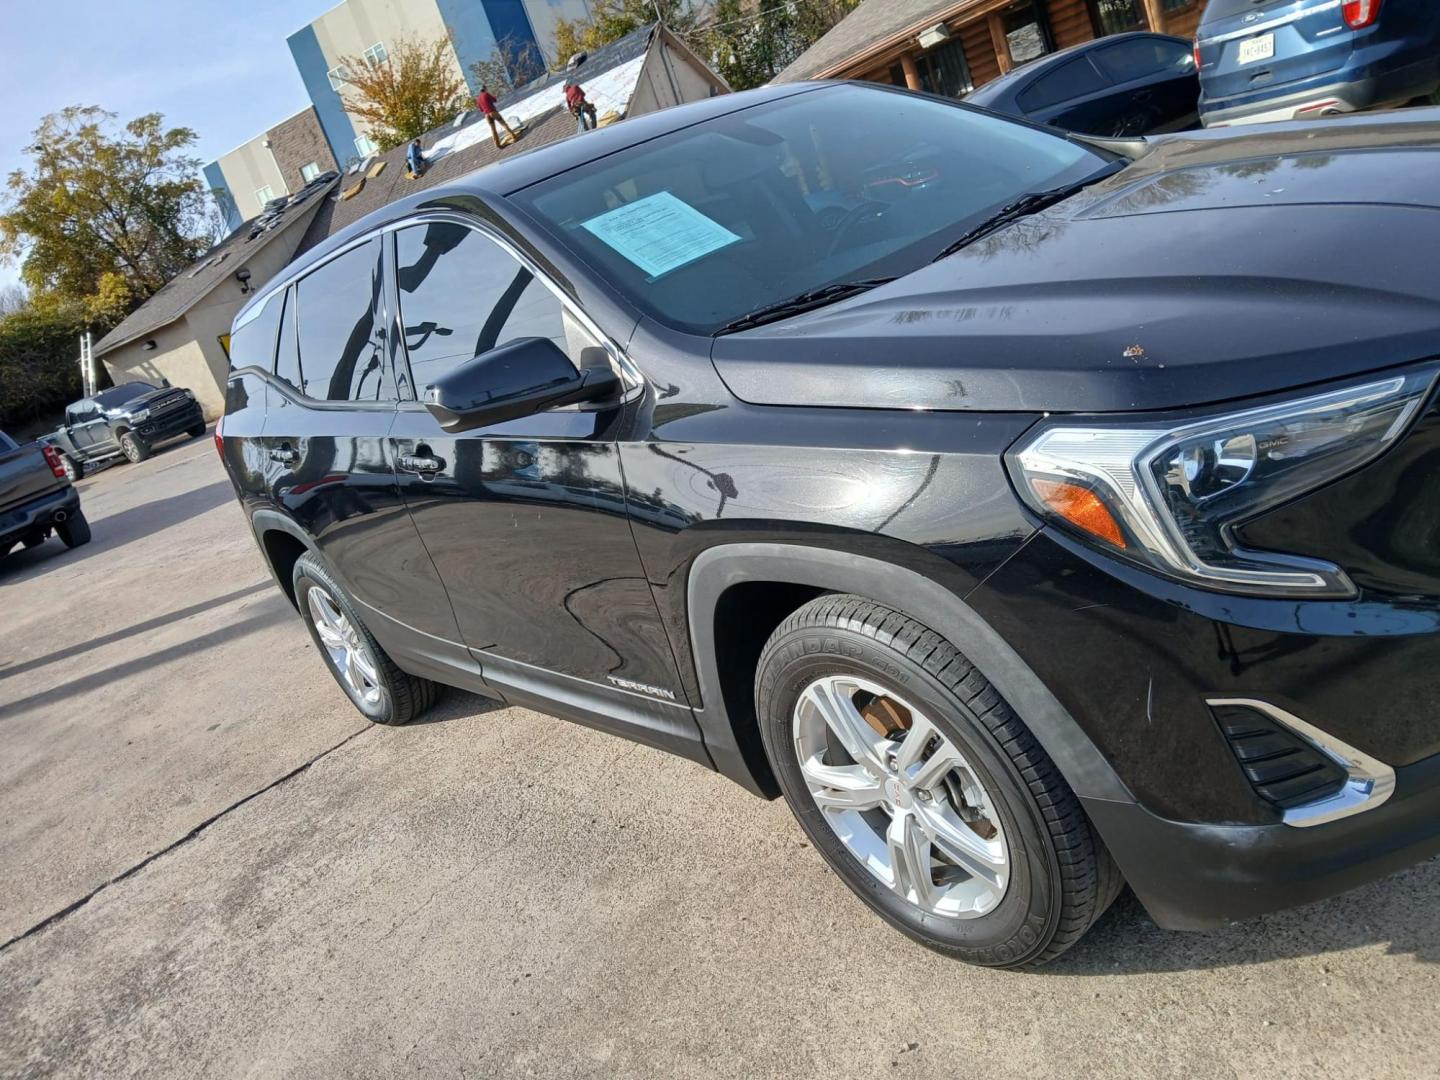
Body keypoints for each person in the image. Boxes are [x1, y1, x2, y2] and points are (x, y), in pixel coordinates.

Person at [475, 84, 519, 149]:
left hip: (486, 115)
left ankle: (497, 145)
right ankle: (513, 136)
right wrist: (493, 97)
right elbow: (494, 100)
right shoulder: (486, 94)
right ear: (485, 88)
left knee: (493, 130)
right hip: (493, 112)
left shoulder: (478, 98)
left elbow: (481, 109)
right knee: (503, 124)